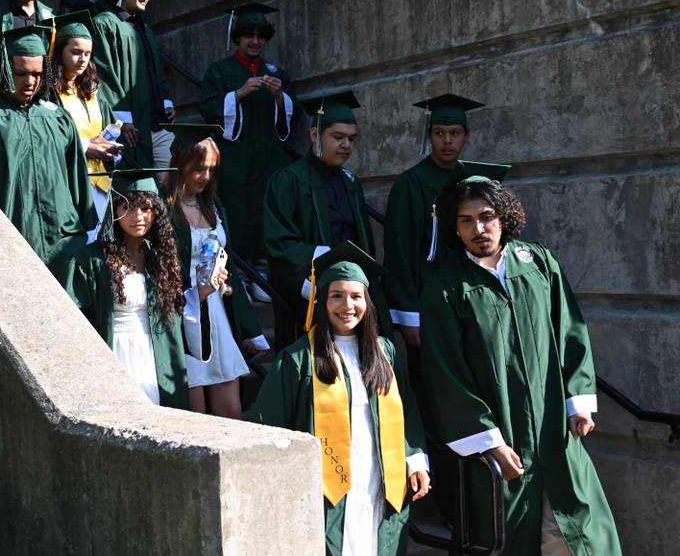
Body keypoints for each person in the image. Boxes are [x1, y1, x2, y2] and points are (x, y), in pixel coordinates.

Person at [420, 161, 621, 555]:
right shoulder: (446, 285)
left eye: (487, 216)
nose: (479, 229)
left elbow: (571, 331)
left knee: (578, 533)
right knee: (512, 536)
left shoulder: (539, 263)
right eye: (466, 220)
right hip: (503, 438)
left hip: (556, 431)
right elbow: (445, 373)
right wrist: (489, 441)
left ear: (504, 215)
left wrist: (578, 401)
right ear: (454, 227)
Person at [252, 243, 430, 556]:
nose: (347, 306)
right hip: (324, 487)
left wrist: (415, 459)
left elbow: (408, 411)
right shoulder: (297, 361)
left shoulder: (385, 352)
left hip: (380, 477)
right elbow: (267, 429)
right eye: (336, 295)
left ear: (368, 302)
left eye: (356, 296)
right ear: (321, 301)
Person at [58, 171, 218, 409]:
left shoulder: (162, 259)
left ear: (156, 211)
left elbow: (177, 316)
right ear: (114, 210)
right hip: (115, 350)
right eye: (127, 207)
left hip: (157, 353)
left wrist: (202, 293)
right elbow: (76, 319)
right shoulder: (94, 259)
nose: (138, 216)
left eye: (145, 208)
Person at [0, 26, 95, 271]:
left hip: (62, 241)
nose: (30, 82)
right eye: (20, 73)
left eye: (37, 74)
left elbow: (76, 183)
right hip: (10, 240)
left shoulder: (58, 118)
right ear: (4, 68)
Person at [263, 91, 389, 350]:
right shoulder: (288, 180)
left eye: (351, 139)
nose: (346, 145)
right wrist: (325, 258)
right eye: (338, 137)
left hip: (353, 291)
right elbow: (279, 242)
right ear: (314, 135)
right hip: (312, 291)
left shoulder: (350, 181)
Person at [163, 123, 270, 418]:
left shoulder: (214, 206)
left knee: (231, 411)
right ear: (180, 164)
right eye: (199, 168)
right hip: (184, 315)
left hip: (218, 312)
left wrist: (248, 327)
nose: (205, 177)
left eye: (211, 169)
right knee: (194, 413)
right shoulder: (163, 207)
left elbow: (231, 264)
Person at [199, 2, 296, 300]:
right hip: (236, 156)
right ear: (237, 37)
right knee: (238, 208)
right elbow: (208, 108)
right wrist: (239, 94)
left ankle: (262, 272)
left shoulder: (276, 71)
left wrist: (280, 96)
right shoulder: (221, 70)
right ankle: (239, 273)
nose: (255, 42)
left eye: (260, 36)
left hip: (268, 155)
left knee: (266, 208)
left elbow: (293, 115)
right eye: (248, 35)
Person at [383, 93, 481, 348]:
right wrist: (408, 313)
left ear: (466, 135)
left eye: (455, 133)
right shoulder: (410, 184)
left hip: (468, 298)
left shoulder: (473, 182)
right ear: (429, 136)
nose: (447, 141)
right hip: (427, 303)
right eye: (439, 133)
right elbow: (399, 252)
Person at [92, 0, 176, 173]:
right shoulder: (106, 24)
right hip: (131, 127)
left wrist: (166, 101)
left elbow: (156, 71)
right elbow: (105, 74)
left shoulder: (144, 29)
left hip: (156, 124)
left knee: (170, 183)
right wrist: (122, 120)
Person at [48, 10, 122, 240]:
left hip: (99, 181)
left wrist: (111, 149)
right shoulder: (48, 93)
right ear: (60, 51)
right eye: (76, 52)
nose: (82, 59)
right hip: (68, 178)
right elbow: (49, 135)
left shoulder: (92, 92)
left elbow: (105, 129)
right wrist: (85, 146)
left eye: (88, 54)